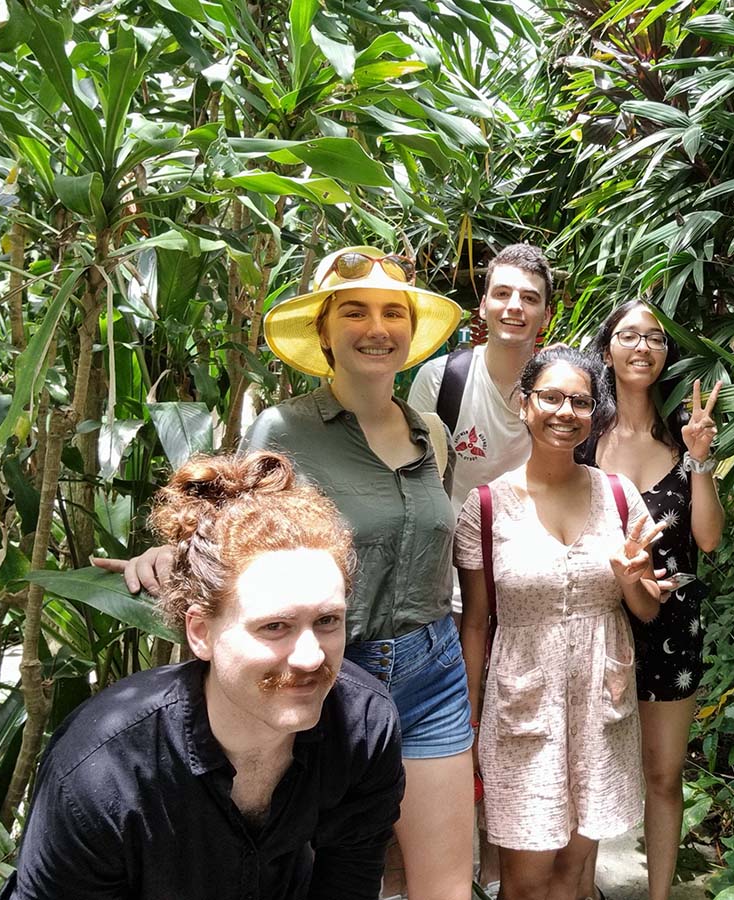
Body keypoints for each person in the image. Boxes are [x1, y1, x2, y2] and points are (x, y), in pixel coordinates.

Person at [96, 247, 473, 900]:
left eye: (392, 313)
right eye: (354, 312)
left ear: (411, 332)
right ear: (325, 333)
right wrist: (168, 558)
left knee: (444, 886)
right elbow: (234, 533)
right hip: (321, 666)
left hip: (430, 669)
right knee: (310, 879)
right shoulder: (282, 428)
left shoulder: (430, 433)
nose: (376, 328)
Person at [3, 451, 405, 900]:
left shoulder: (363, 724)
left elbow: (348, 883)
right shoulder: (102, 770)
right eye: (275, 626)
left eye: (327, 621)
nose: (311, 658)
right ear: (201, 633)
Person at [455, 344, 667, 900]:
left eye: (579, 401)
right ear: (524, 404)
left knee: (574, 877)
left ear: (595, 413)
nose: (564, 412)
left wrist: (630, 579)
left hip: (601, 707)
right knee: (525, 882)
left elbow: (647, 608)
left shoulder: (618, 496)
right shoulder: (486, 506)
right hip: (523, 712)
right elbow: (476, 623)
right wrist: (469, 722)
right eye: (550, 397)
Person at [577, 300, 725, 900]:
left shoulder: (682, 436)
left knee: (663, 776)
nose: (642, 347)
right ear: (607, 347)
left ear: (666, 355)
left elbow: (709, 540)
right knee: (590, 769)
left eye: (655, 338)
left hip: (673, 623)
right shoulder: (582, 433)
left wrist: (701, 458)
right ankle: (580, 888)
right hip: (595, 619)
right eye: (628, 335)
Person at [408, 243, 554, 602]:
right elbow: (410, 487)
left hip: (535, 582)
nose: (515, 306)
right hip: (449, 586)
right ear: (484, 306)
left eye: (529, 298)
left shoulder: (559, 393)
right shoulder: (441, 380)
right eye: (502, 293)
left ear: (546, 315)